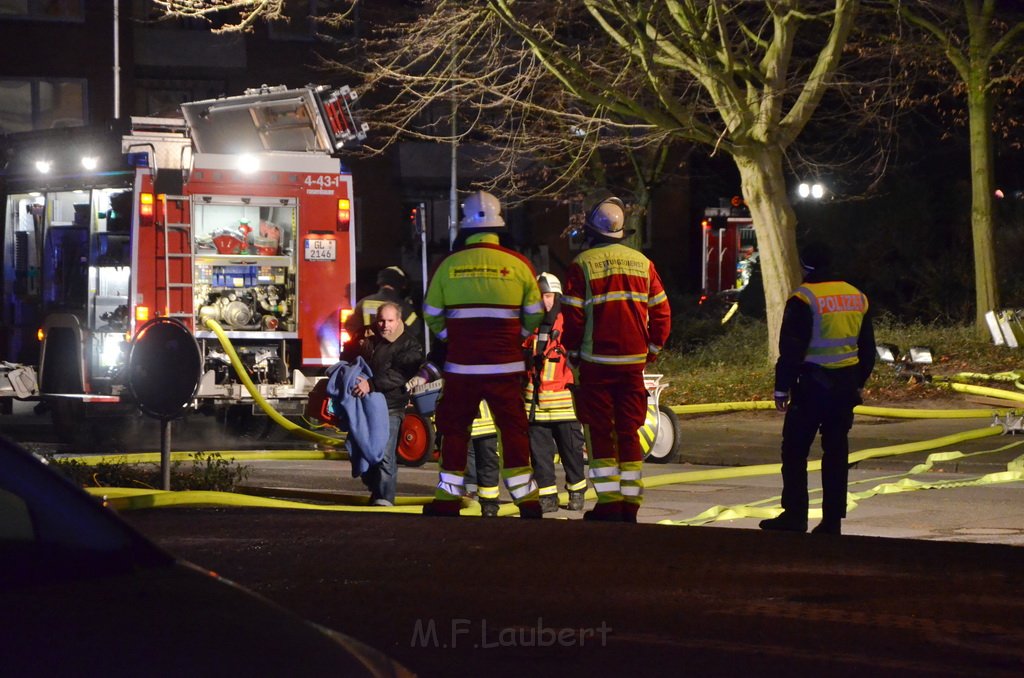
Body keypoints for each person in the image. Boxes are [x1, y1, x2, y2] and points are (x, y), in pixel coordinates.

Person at [420, 190, 545, 518]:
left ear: (464, 227)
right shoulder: (519, 265)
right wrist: (515, 337)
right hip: (506, 365)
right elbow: (534, 314)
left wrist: (454, 337)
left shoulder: (448, 265)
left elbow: (431, 312)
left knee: (455, 429)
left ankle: (448, 500)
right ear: (499, 225)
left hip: (462, 367)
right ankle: (527, 500)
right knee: (513, 430)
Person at [561, 195, 672, 523]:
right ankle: (630, 504)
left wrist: (574, 353)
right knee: (628, 429)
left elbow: (573, 317)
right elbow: (662, 313)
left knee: (599, 431)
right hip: (632, 363)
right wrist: (651, 350)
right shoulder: (643, 263)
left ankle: (609, 502)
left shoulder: (581, 265)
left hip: (596, 362)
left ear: (592, 232)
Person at [759, 241, 875, 536]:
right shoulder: (856, 296)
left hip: (812, 387)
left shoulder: (804, 298)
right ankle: (832, 521)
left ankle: (795, 516)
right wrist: (855, 381)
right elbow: (868, 350)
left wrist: (781, 389)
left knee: (795, 450)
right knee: (836, 453)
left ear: (804, 263)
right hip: (844, 389)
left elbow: (791, 350)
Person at [350, 302, 424, 506]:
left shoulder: (410, 345)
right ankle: (376, 491)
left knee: (384, 454)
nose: (384, 325)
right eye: (381, 320)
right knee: (363, 451)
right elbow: (348, 357)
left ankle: (385, 499)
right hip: (362, 404)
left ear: (399, 320)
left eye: (390, 321)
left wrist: (371, 384)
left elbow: (399, 374)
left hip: (390, 407)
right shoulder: (367, 336)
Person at [525, 272, 587, 513]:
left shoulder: (569, 324)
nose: (545, 301)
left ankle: (576, 492)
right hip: (536, 403)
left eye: (549, 295)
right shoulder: (530, 324)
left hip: (564, 402)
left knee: (571, 451)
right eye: (541, 296)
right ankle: (548, 497)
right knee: (540, 455)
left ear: (558, 296)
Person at [343, 265, 420, 359]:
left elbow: (350, 326)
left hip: (367, 356)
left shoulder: (364, 303)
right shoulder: (404, 306)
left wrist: (364, 343)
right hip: (393, 358)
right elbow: (415, 330)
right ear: (399, 283)